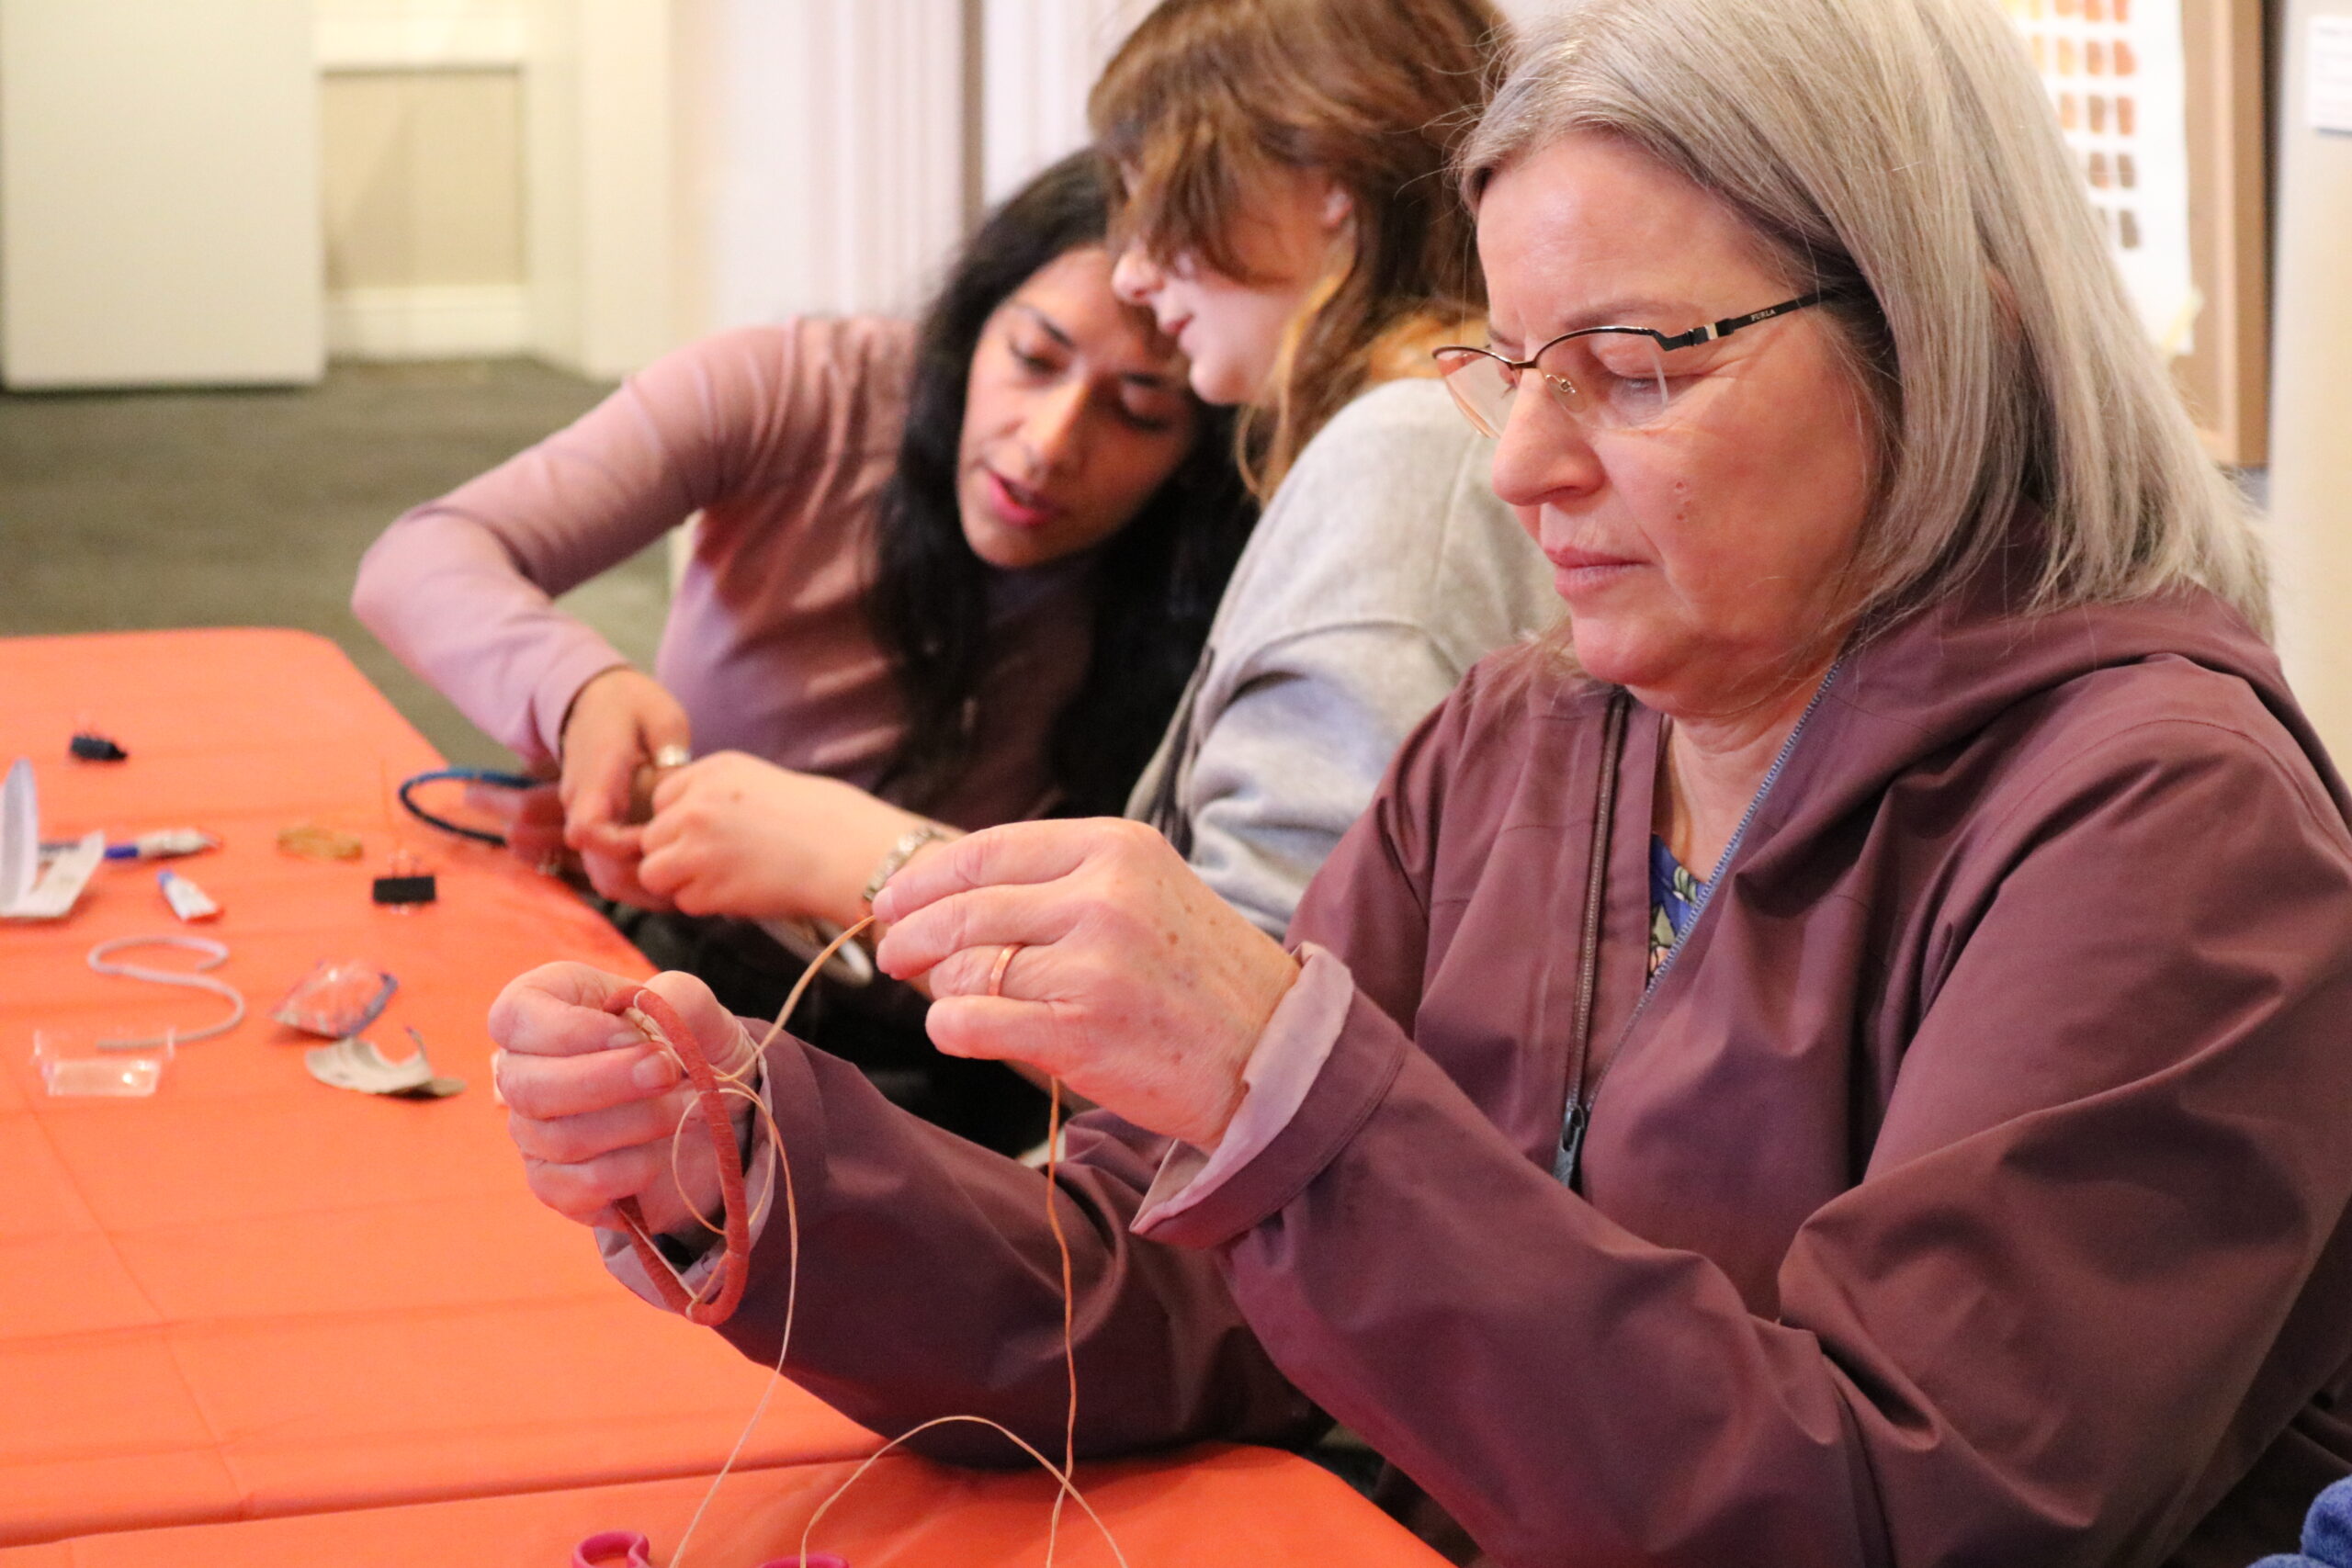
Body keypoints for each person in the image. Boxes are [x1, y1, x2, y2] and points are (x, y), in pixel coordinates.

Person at [493, 0, 2352, 1559]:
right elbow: (1160, 1286)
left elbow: (1891, 1503)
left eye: (1627, 368)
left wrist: (1289, 1089)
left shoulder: (2159, 826)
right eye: (1509, 365)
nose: (1522, 460)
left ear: (1951, 345)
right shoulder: (1523, 741)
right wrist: (749, 1159)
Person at [356, 152, 1253, 1147]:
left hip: (964, 1067)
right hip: (685, 975)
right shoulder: (804, 385)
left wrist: (853, 865)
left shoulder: (1216, 561)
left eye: (1138, 411)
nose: (1048, 442)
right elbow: (419, 560)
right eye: (1033, 361)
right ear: (967, 326)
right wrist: (579, 690)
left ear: (1197, 446)